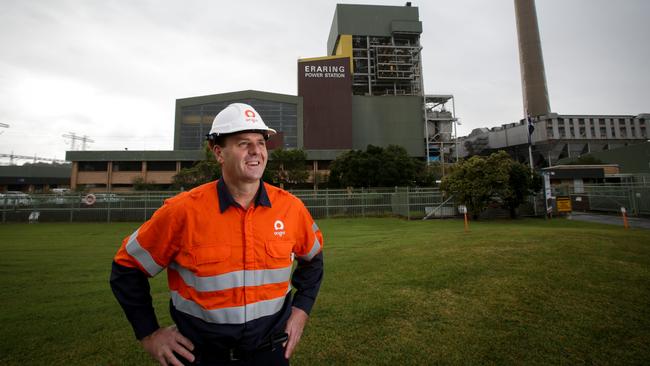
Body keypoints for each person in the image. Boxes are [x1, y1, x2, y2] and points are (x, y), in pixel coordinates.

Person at [110, 103, 324, 365]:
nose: (256, 151)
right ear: (219, 153)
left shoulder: (291, 208)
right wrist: (149, 333)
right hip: (201, 358)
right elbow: (126, 267)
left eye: (261, 142)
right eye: (244, 143)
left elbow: (313, 259)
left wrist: (301, 310)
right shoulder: (182, 211)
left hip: (270, 355)